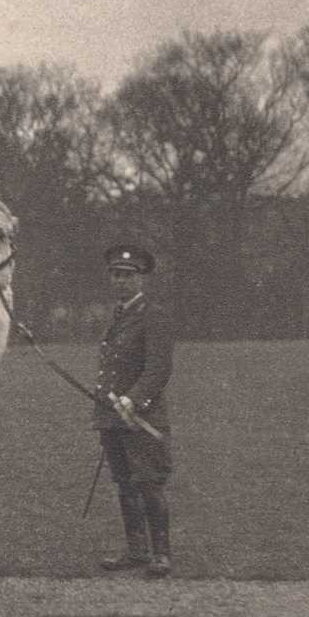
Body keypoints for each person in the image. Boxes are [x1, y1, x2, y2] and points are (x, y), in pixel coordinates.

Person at [93, 244, 175, 578]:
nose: (121, 281)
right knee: (124, 483)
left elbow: (159, 367)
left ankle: (161, 555)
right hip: (112, 415)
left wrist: (134, 399)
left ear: (142, 279)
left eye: (128, 276)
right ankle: (137, 550)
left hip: (141, 416)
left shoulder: (152, 314)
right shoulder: (118, 314)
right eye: (116, 275)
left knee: (149, 483)